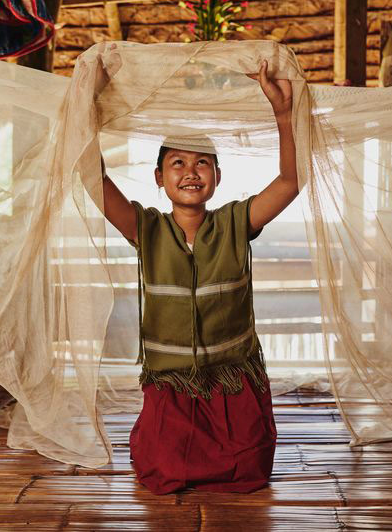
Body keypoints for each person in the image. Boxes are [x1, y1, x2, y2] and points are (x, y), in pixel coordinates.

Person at [99, 59, 298, 495]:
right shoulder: (145, 228)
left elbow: (289, 182)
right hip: (173, 382)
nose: (190, 172)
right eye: (177, 163)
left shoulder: (236, 222)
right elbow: (93, 179)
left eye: (202, 163)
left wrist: (284, 117)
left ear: (218, 176)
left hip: (232, 380)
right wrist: (87, 106)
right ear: (159, 177)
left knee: (251, 472)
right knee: (162, 474)